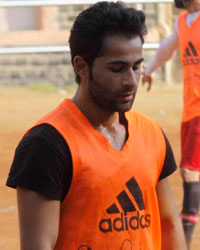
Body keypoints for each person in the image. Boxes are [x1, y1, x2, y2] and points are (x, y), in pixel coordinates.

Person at [6, 1, 186, 250]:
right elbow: (39, 245)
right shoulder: (46, 144)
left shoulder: (151, 133)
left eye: (136, 67)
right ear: (81, 66)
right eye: (117, 69)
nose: (131, 81)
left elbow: (168, 223)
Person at [142, 0, 200, 249]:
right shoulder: (183, 22)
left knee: (190, 171)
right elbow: (168, 47)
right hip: (191, 109)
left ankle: (183, 241)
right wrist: (151, 68)